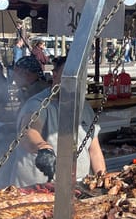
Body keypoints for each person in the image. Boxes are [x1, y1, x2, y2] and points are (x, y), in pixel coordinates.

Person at [9, 55, 106, 186]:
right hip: (36, 188)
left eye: (79, 75)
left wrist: (102, 179)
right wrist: (42, 148)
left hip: (78, 187)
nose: (74, 80)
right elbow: (29, 131)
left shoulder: (85, 108)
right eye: (68, 74)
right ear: (55, 75)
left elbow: (94, 150)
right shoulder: (38, 104)